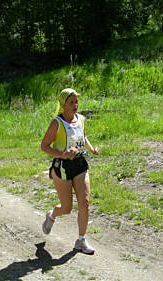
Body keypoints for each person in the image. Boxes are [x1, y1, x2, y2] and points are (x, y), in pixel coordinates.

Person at [40, 88, 99, 255]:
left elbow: (83, 137)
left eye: (77, 101)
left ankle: (81, 240)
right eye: (71, 102)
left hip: (80, 164)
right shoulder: (56, 123)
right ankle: (52, 215)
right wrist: (62, 154)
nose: (75, 105)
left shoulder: (81, 119)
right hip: (62, 167)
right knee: (67, 208)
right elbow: (44, 146)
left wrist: (91, 148)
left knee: (84, 203)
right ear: (63, 104)